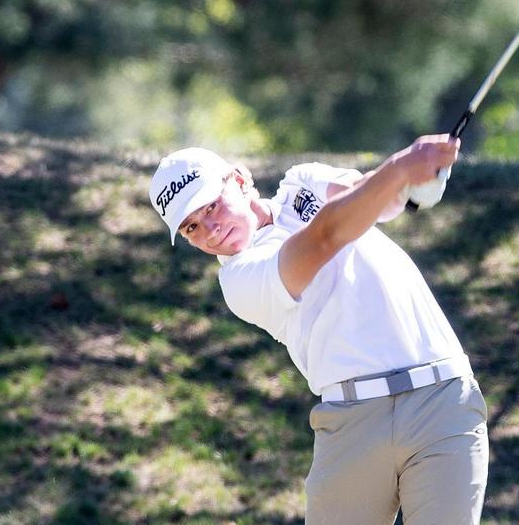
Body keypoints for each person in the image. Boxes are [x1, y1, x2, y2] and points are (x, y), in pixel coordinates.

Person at [148, 135, 487, 524]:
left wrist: (414, 182)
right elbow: (323, 239)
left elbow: (373, 197)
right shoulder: (240, 281)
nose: (209, 230)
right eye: (191, 227)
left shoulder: (302, 182)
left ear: (240, 180)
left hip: (441, 399)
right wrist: (400, 170)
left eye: (210, 206)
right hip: (352, 422)